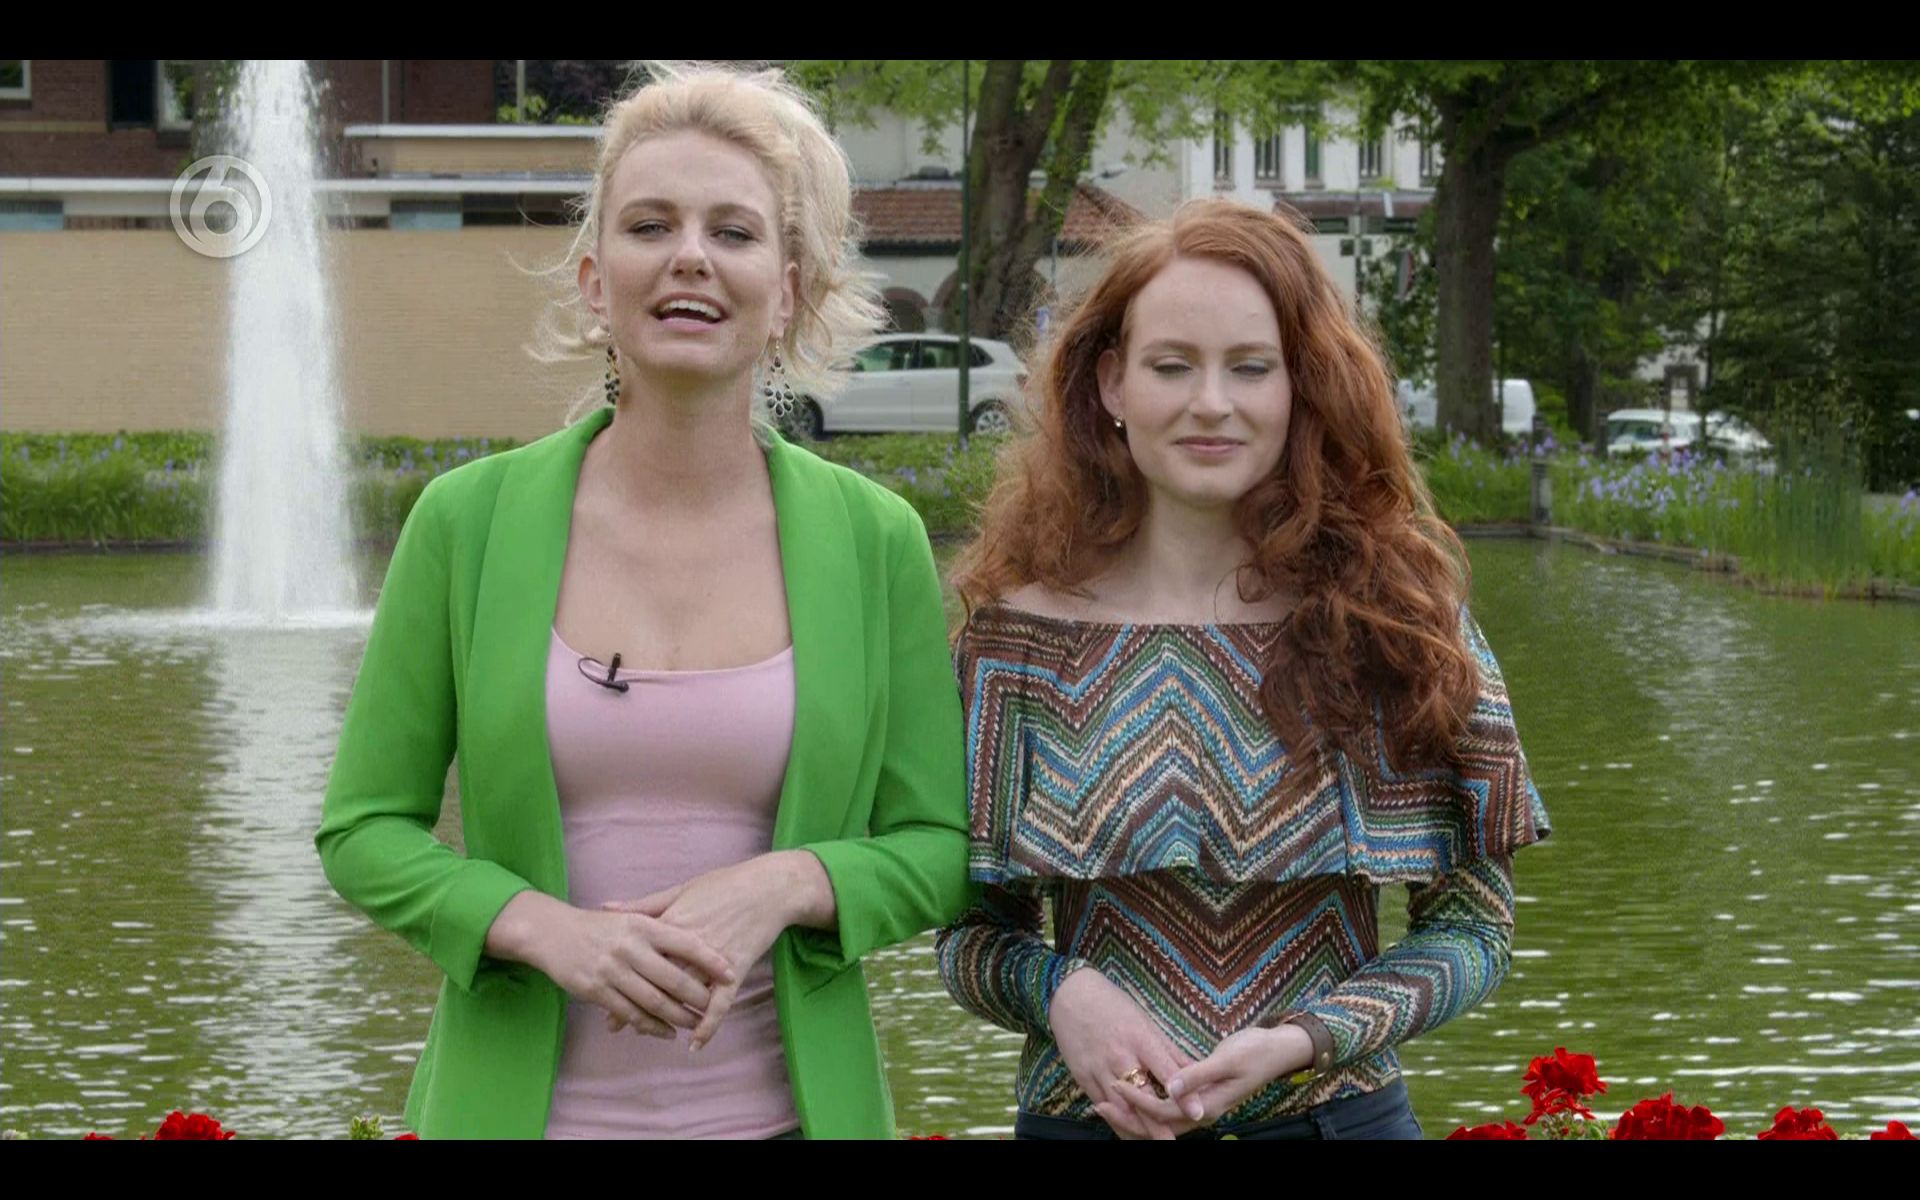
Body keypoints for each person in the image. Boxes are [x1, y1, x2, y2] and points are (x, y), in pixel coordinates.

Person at [318, 62, 970, 1140]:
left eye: (733, 232)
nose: (689, 257)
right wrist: (536, 925)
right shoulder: (465, 522)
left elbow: (940, 846)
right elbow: (363, 829)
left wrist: (788, 883)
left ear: (788, 291)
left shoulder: (876, 540)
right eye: (650, 225)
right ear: (593, 281)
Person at [937, 198, 1550, 1140]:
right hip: (1087, 1123)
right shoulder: (1013, 643)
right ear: (1112, 383)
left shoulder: (1399, 626)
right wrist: (1062, 991)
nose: (1212, 402)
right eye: (1172, 365)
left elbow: (1474, 931)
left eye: (1251, 367)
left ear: (1303, 385)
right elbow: (970, 932)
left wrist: (1310, 1037)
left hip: (1337, 1120)